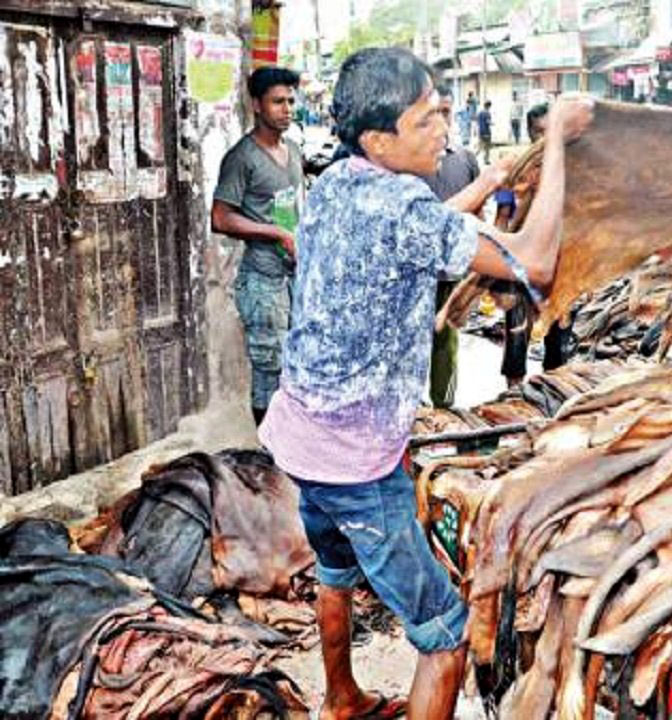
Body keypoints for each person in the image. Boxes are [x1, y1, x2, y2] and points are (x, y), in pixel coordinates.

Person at [258, 47, 591, 720]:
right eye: (427, 119)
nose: (444, 128)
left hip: (301, 437)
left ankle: (343, 699)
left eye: (443, 111)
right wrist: (555, 143)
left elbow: (426, 229)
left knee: (335, 570)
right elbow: (537, 262)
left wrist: (490, 178)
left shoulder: (337, 181)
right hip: (356, 463)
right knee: (445, 636)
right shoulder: (404, 208)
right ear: (380, 140)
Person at [211, 66, 304, 426]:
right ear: (257, 105)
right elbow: (220, 218)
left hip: (293, 276)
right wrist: (277, 234)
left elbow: (294, 205)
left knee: (295, 366)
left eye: (291, 101)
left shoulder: (293, 150)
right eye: (277, 101)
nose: (287, 109)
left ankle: (290, 446)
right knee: (269, 372)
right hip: (262, 280)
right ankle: (267, 454)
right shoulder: (242, 158)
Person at [500, 104, 575, 386]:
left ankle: (550, 398)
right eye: (539, 131)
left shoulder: (572, 172)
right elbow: (503, 218)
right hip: (520, 265)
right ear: (529, 132)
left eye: (551, 131)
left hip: (561, 267)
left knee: (558, 340)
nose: (545, 138)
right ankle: (514, 399)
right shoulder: (515, 170)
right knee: (517, 336)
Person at [423, 87, 489, 410]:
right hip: (414, 271)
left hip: (451, 269)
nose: (441, 120)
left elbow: (479, 215)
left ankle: (442, 409)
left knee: (445, 343)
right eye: (433, 112)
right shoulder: (409, 163)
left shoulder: (464, 160)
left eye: (446, 112)